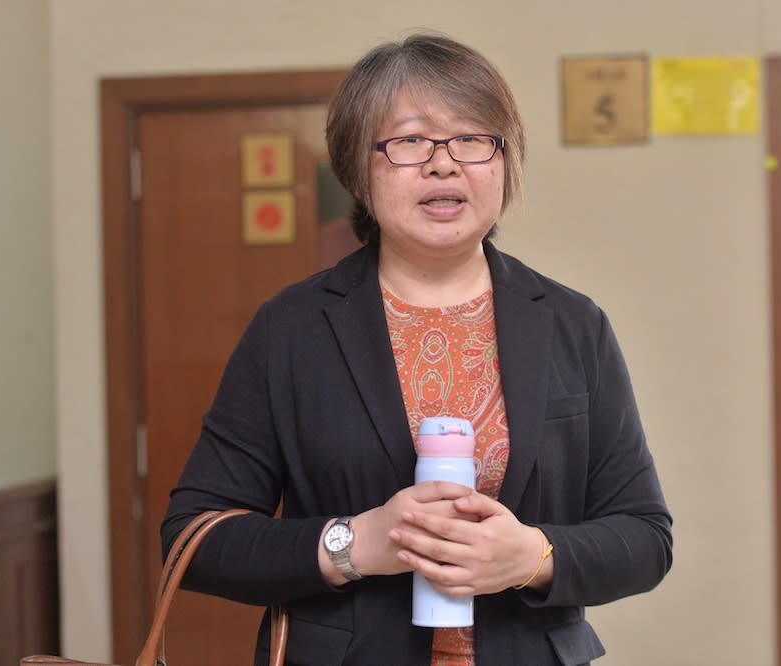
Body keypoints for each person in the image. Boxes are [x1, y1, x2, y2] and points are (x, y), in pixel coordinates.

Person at [162, 33, 673, 666]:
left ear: (504, 163)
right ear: (359, 169)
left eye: (472, 138)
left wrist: (533, 556)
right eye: (408, 141)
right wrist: (355, 544)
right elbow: (191, 537)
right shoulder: (291, 329)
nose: (443, 163)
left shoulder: (573, 324)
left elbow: (645, 538)